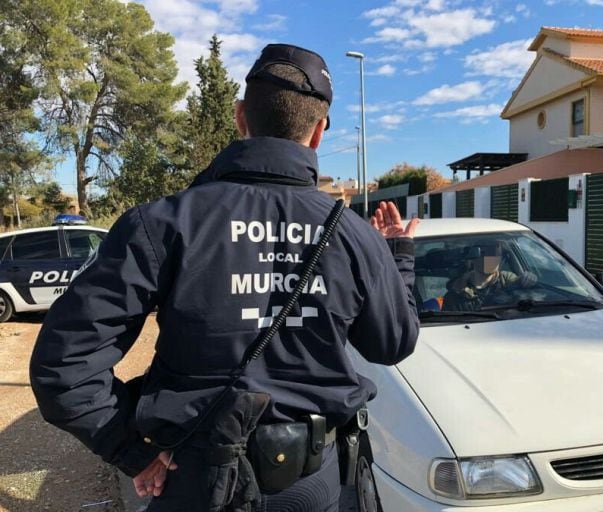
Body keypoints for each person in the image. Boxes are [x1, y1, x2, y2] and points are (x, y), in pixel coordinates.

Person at [29, 43, 420, 512]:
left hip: (191, 477)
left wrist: (132, 452)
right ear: (318, 133)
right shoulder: (356, 236)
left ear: (240, 118)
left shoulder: (163, 224)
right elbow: (392, 343)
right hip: (308, 485)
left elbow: (63, 366)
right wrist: (398, 255)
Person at [442, 242, 536, 311]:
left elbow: (529, 305)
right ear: (472, 258)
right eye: (483, 253)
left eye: (494, 253)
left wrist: (530, 279)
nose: (490, 258)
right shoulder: (455, 294)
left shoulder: (509, 282)